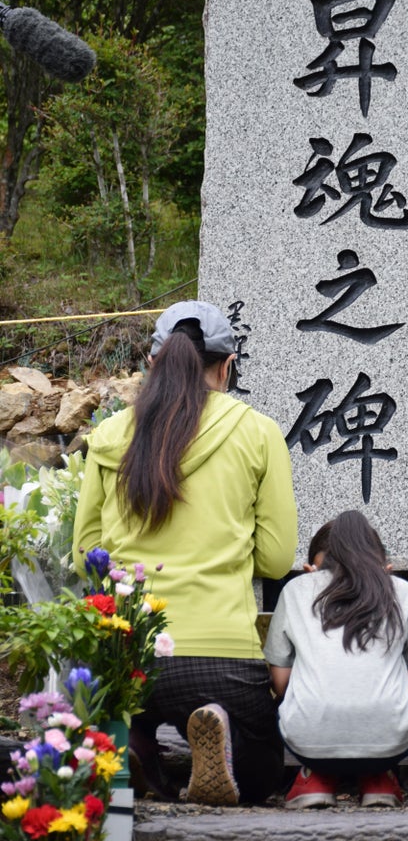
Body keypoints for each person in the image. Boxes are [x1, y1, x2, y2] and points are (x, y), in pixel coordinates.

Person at [72, 300, 298, 806]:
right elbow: (277, 559)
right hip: (222, 652)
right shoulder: (258, 431)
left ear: (154, 362)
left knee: (132, 702)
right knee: (264, 771)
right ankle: (220, 736)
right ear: (227, 365)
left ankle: (137, 745)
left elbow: (85, 551)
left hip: (129, 649)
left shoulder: (110, 435)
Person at [264, 509, 408, 809]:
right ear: (384, 565)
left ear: (314, 566)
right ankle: (379, 778)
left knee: (299, 709)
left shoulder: (295, 590)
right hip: (391, 735)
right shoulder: (403, 591)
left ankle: (314, 778)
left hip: (308, 735)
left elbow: (280, 683)